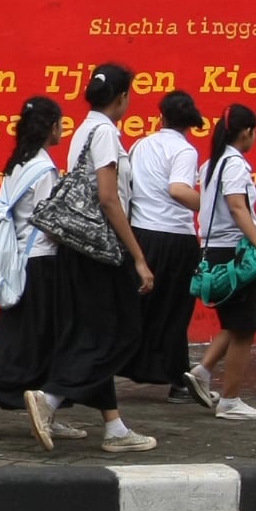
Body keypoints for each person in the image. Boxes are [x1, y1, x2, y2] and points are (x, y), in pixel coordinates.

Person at [21, 63, 158, 452]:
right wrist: (138, 257)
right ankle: (48, 400)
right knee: (123, 332)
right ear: (122, 97)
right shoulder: (106, 134)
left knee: (93, 333)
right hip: (102, 250)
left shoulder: (84, 128)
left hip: (76, 247)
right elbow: (108, 198)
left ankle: (114, 428)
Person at [0, 96, 80, 442]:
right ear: (50, 127)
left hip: (19, 263)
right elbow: (51, 222)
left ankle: (48, 410)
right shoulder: (45, 170)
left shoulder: (17, 165)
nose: (61, 129)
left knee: (24, 337)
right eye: (59, 123)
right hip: (43, 263)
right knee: (43, 341)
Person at [186, 103, 256, 421]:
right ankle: (231, 401)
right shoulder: (235, 164)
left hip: (213, 251)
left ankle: (202, 371)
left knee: (234, 322)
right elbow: (238, 208)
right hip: (234, 254)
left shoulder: (213, 163)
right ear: (247, 131)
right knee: (245, 329)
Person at [122, 91, 207, 402]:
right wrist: (210, 207)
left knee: (136, 307)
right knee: (175, 311)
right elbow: (179, 190)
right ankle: (176, 380)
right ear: (189, 124)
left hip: (140, 235)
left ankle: (115, 365)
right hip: (175, 236)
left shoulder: (141, 145)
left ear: (163, 117)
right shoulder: (184, 151)